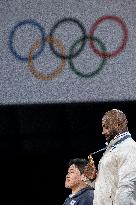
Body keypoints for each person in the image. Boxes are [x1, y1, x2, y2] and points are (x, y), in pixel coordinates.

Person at [93, 108, 136, 205]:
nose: (103, 132)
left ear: (119, 125)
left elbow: (127, 188)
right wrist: (93, 179)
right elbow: (108, 187)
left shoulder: (129, 147)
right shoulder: (114, 148)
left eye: (106, 127)